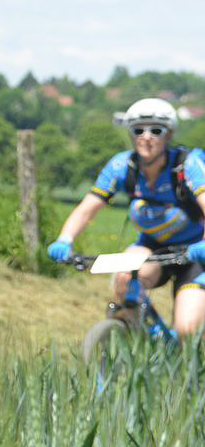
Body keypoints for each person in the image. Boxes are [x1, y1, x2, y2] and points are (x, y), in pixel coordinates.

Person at [47, 97, 205, 334]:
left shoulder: (187, 165)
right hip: (153, 247)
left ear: (169, 135)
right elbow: (87, 208)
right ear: (131, 134)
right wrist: (64, 239)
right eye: (139, 130)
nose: (146, 137)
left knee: (187, 330)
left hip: (196, 251)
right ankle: (136, 340)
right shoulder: (121, 166)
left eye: (156, 130)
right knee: (124, 276)